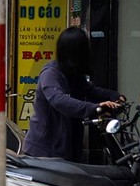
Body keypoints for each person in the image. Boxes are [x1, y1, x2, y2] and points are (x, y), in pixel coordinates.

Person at [23, 26, 125, 162]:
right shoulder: (50, 73)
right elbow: (59, 101)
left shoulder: (74, 73)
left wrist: (114, 96)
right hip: (45, 152)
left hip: (68, 150)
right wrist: (95, 108)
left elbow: (89, 91)